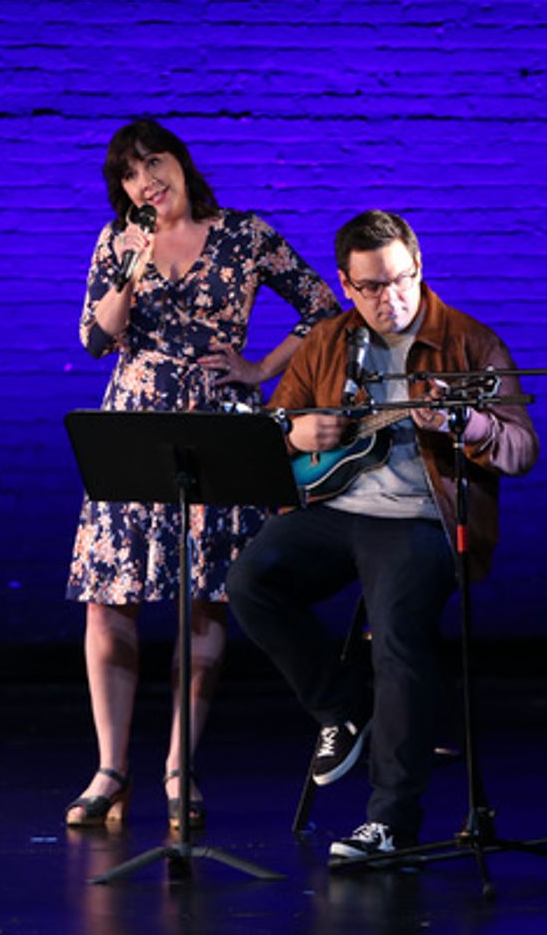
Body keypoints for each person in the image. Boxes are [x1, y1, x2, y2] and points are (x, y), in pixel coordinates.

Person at [227, 209, 539, 858]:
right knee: (250, 581)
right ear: (346, 284)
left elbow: (522, 450)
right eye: (370, 286)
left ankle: (390, 821)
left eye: (400, 280)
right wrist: (293, 434)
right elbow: (267, 431)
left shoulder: (468, 342)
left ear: (419, 268)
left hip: (423, 518)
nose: (389, 298)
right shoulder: (328, 340)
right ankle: (345, 708)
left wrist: (468, 426)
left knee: (396, 634)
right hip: (335, 507)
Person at [64, 119, 341, 829]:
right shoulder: (117, 241)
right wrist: (130, 269)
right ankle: (110, 770)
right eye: (130, 175)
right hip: (135, 423)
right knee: (110, 596)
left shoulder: (245, 235)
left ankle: (179, 768)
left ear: (180, 163)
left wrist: (259, 369)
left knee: (204, 598)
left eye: (153, 163)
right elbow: (95, 339)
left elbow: (322, 308)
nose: (146, 182)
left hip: (216, 422)